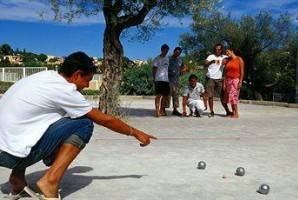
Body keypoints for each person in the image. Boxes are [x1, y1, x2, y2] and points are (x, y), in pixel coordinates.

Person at [0, 51, 157, 200]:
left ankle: (17, 179)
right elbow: (104, 120)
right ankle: (50, 181)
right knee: (84, 124)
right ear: (76, 75)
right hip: (10, 157)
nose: (87, 85)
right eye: (87, 80)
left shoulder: (44, 76)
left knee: (33, 123)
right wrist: (135, 132)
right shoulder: (65, 90)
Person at [204, 43, 231, 117]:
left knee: (222, 96)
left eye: (219, 49)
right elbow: (205, 64)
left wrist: (227, 60)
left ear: (221, 50)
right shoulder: (211, 56)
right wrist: (210, 62)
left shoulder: (224, 57)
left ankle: (227, 111)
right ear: (214, 49)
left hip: (219, 79)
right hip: (210, 78)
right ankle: (212, 111)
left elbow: (232, 58)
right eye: (216, 49)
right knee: (210, 96)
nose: (217, 51)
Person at [165, 47, 188, 116]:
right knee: (167, 96)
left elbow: (186, 67)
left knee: (176, 96)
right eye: (176, 52)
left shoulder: (179, 61)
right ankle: (163, 109)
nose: (177, 54)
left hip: (176, 81)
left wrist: (182, 71)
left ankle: (175, 110)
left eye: (179, 53)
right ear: (174, 51)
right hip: (168, 81)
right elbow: (163, 69)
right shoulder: (168, 59)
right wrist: (169, 73)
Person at [222, 48, 245, 118]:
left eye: (228, 51)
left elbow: (242, 71)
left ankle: (236, 113)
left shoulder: (239, 59)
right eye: (226, 52)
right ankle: (233, 113)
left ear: (232, 51)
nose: (227, 53)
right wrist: (224, 83)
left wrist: (240, 81)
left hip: (235, 80)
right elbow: (225, 73)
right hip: (228, 80)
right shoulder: (228, 61)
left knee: (234, 96)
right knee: (230, 97)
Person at [152, 44, 170, 117]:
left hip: (166, 80)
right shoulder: (157, 58)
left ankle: (161, 110)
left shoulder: (167, 59)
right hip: (159, 79)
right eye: (164, 50)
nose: (165, 52)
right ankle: (157, 111)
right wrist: (154, 79)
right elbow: (154, 69)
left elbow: (166, 69)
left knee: (165, 95)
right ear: (161, 50)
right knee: (158, 95)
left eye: (167, 51)